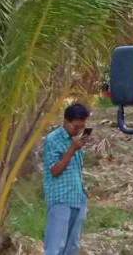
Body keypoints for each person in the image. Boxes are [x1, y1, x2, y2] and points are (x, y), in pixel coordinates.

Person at [42, 102, 93, 255]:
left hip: (77, 198)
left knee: (72, 247)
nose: (78, 130)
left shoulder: (74, 140)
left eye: (82, 128)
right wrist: (72, 149)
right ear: (66, 121)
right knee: (55, 246)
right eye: (76, 127)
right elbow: (55, 170)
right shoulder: (53, 139)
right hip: (61, 199)